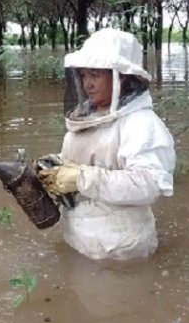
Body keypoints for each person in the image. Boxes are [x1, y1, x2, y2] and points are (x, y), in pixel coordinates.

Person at [37, 28, 175, 260]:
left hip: (120, 250)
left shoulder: (142, 124)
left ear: (121, 76)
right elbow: (84, 160)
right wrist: (54, 167)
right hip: (78, 240)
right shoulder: (86, 117)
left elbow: (149, 185)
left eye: (95, 75)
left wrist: (81, 178)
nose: (87, 84)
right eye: (83, 75)